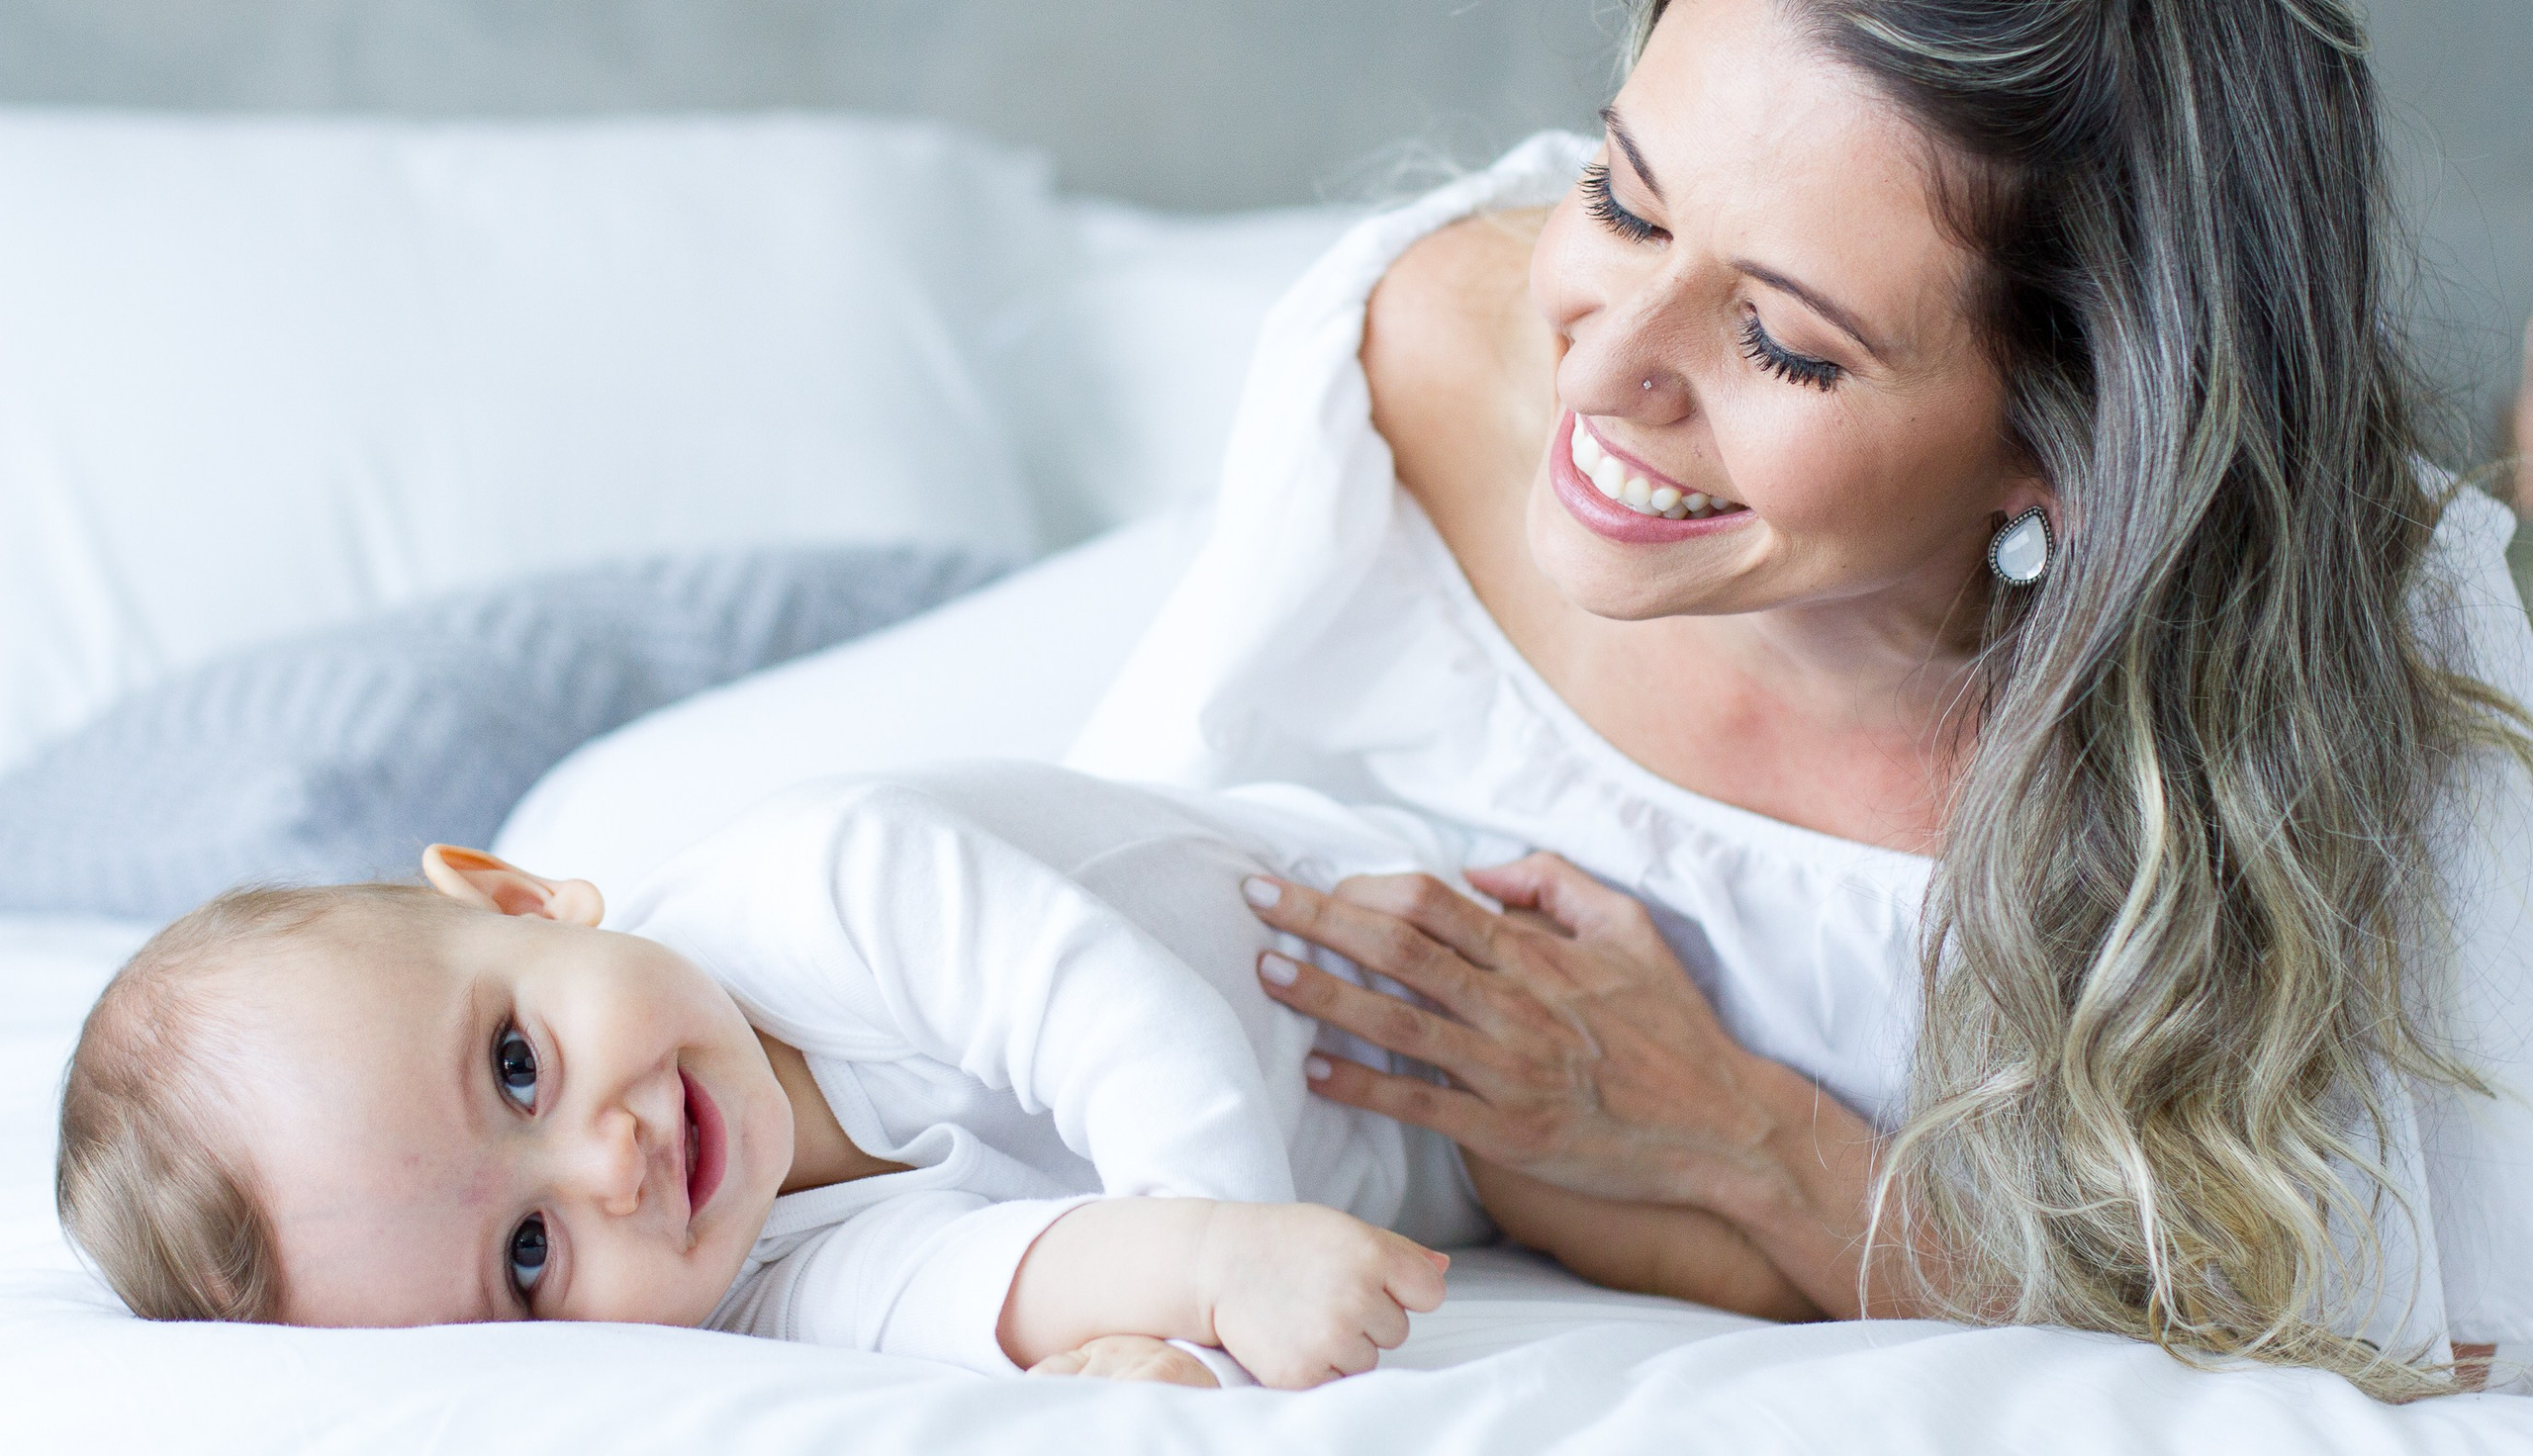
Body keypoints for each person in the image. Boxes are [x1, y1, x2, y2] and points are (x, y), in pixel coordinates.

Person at [1068, 0, 2533, 1399]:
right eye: (1622, 199)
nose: (1604, 367)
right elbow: (1075, 912)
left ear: (2067, 448)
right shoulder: (1414, 375)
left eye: (1783, 341)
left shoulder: (2389, 685)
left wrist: (1741, 1137)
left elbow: (2410, 1368)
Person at [52, 761, 1811, 1389]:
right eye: (526, 1264)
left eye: (516, 1064)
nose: (604, 1171)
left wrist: (1221, 1239)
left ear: (519, 900)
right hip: (1432, 1169)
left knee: (1750, 995)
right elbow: (984, 1278)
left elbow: (1104, 1013)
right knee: (1713, 1266)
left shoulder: (826, 879)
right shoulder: (730, 1296)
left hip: (1426, 924)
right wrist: (1149, 1315)